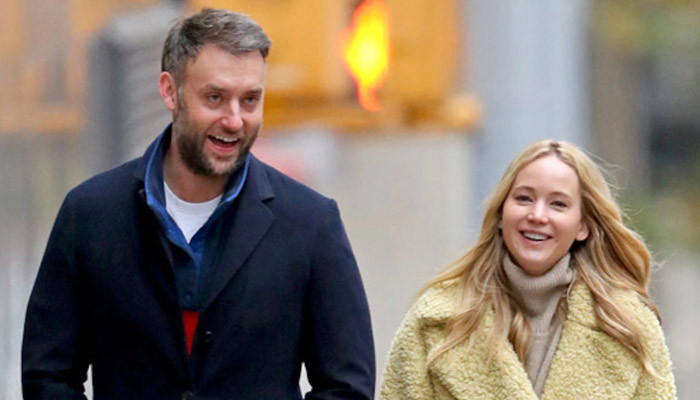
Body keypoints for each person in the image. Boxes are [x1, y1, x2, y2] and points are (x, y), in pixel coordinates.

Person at [22, 8, 375, 399]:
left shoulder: (311, 224)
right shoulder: (89, 215)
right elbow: (47, 376)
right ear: (169, 91)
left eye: (250, 100)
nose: (234, 120)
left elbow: (347, 387)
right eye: (215, 98)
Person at [381, 140, 676, 399]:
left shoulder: (628, 326)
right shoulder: (436, 319)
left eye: (558, 204)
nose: (537, 215)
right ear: (501, 213)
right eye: (524, 198)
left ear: (583, 226)